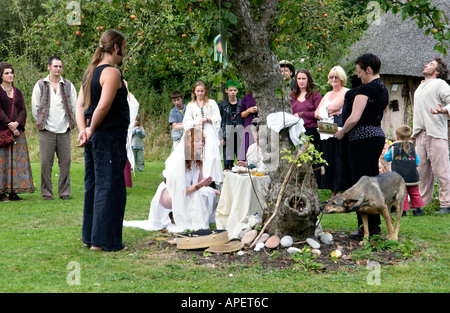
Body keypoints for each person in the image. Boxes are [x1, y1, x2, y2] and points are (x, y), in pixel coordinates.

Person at [75, 29, 129, 252]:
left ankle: (89, 237)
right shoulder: (112, 72)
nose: (124, 53)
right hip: (108, 139)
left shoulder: (89, 72)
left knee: (94, 186)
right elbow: (103, 106)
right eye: (123, 48)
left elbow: (79, 106)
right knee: (111, 187)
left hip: (94, 137)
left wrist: (84, 130)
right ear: (116, 47)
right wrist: (89, 129)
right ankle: (104, 241)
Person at [123, 128, 219, 232]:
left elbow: (200, 181)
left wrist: (209, 186)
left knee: (209, 193)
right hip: (170, 194)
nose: (201, 144)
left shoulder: (197, 158)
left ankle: (197, 218)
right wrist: (199, 186)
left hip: (188, 191)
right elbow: (181, 192)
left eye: (203, 141)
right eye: (197, 141)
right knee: (197, 195)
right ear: (189, 143)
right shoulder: (180, 160)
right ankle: (181, 218)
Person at [335, 53, 389, 237]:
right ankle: (373, 226)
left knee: (361, 184)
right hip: (375, 135)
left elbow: (354, 118)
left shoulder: (366, 89)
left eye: (360, 72)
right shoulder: (382, 88)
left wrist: (341, 132)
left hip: (362, 139)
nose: (358, 76)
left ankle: (367, 228)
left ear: (368, 69)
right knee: (371, 182)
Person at [31, 56, 77, 200]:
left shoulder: (68, 85)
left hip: (64, 129)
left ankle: (64, 192)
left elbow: (75, 106)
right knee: (46, 162)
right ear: (49, 67)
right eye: (55, 66)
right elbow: (35, 108)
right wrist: (42, 123)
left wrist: (71, 123)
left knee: (66, 162)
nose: (58, 69)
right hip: (46, 130)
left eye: (60, 66)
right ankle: (47, 192)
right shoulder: (40, 85)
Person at [412, 56, 450, 215]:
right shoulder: (420, 87)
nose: (426, 64)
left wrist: (444, 110)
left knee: (442, 170)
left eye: (431, 64)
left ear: (438, 71)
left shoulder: (440, 84)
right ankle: (420, 204)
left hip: (436, 133)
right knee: (421, 171)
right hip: (420, 134)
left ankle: (446, 204)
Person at [0, 62, 34, 202]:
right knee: (3, 163)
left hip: (17, 133)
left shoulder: (18, 92)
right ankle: (1, 192)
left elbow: (23, 110)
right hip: (3, 132)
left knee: (17, 163)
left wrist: (17, 124)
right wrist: (9, 124)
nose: (10, 75)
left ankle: (14, 191)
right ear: (1, 75)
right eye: (6, 73)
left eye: (11, 72)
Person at [314, 66, 350, 197]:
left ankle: (342, 193)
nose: (333, 79)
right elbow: (316, 113)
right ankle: (332, 193)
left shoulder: (346, 92)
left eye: (336, 77)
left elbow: (336, 107)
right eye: (331, 77)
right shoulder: (328, 94)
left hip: (339, 132)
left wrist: (324, 111)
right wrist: (327, 112)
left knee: (339, 161)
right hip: (325, 132)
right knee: (329, 161)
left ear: (342, 79)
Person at [183, 81, 223, 186]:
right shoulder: (191, 105)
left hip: (210, 133)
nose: (200, 93)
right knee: (199, 156)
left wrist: (208, 119)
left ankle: (211, 180)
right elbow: (186, 122)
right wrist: (196, 122)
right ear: (194, 92)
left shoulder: (211, 103)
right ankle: (197, 180)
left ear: (205, 91)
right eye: (198, 91)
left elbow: (218, 118)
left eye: (202, 91)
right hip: (197, 133)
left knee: (210, 156)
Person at [384, 125, 424, 216]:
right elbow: (417, 162)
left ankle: (403, 211)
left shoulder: (394, 149)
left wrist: (387, 149)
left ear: (397, 137)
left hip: (399, 177)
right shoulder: (413, 149)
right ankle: (417, 210)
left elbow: (387, 158)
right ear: (410, 137)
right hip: (412, 176)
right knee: (415, 193)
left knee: (403, 194)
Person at [290, 68, 322, 145]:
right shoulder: (292, 95)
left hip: (311, 130)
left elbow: (319, 113)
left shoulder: (315, 93)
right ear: (296, 80)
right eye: (299, 78)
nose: (301, 81)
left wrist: (301, 114)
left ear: (308, 80)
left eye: (303, 78)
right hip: (295, 131)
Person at [219, 79, 243, 170]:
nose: (232, 92)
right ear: (226, 91)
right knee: (228, 164)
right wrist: (221, 137)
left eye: (234, 90)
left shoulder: (242, 104)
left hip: (240, 135)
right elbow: (219, 122)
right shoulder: (222, 105)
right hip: (228, 136)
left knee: (242, 162)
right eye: (230, 90)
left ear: (237, 91)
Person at [238, 92, 258, 161]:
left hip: (262, 124)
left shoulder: (265, 95)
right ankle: (245, 164)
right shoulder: (247, 97)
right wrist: (249, 110)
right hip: (249, 124)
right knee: (247, 145)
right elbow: (242, 115)